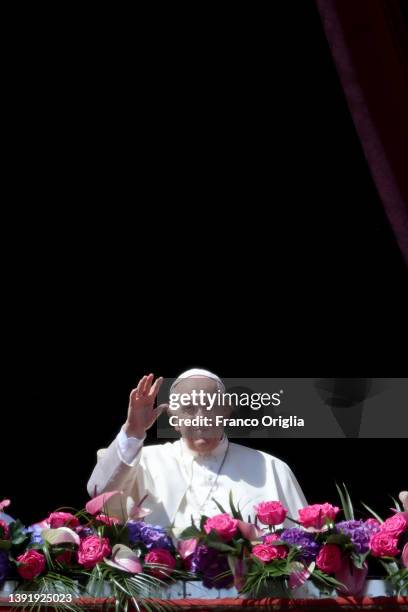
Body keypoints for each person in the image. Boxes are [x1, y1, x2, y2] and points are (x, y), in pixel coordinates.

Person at [87, 369, 308, 530]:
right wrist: (133, 431)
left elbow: (304, 550)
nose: (201, 418)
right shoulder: (143, 462)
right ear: (173, 420)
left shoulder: (272, 469)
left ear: (226, 411)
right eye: (189, 409)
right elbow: (99, 493)